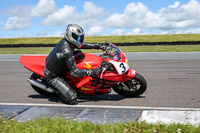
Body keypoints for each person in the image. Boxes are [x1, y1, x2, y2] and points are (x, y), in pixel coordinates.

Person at [44, 24, 108, 105]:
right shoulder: (67, 50)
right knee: (73, 99)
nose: (79, 39)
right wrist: (92, 72)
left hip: (59, 64)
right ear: (70, 36)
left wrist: (98, 46)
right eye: (77, 37)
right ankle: (58, 91)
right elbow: (74, 72)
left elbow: (81, 45)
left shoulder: (67, 41)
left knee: (80, 55)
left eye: (80, 37)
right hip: (53, 75)